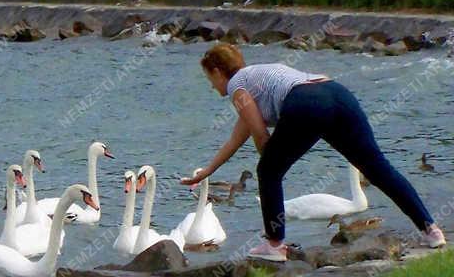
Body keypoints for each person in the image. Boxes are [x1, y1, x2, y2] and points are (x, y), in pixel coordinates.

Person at [181, 43, 445, 261]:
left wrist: (272, 166)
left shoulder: (238, 86)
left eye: (209, 79)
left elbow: (261, 136)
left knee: (268, 171)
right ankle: (430, 229)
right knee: (376, 167)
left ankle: (275, 245)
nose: (211, 86)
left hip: (307, 102)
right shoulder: (255, 79)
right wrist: (208, 171)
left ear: (217, 71)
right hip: (337, 94)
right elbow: (238, 137)